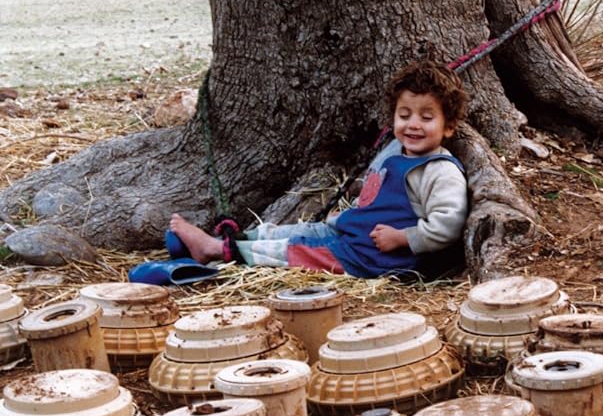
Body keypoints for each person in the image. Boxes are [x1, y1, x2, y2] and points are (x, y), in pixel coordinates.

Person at [169, 60, 469, 278]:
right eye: (404, 115)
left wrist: (403, 238)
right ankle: (239, 238)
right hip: (352, 233)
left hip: (370, 257)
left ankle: (215, 251)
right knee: (296, 231)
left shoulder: (440, 172)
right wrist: (351, 214)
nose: (413, 124)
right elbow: (375, 196)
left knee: (297, 251)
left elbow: (448, 225)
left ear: (449, 126)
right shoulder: (393, 150)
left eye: (426, 118)